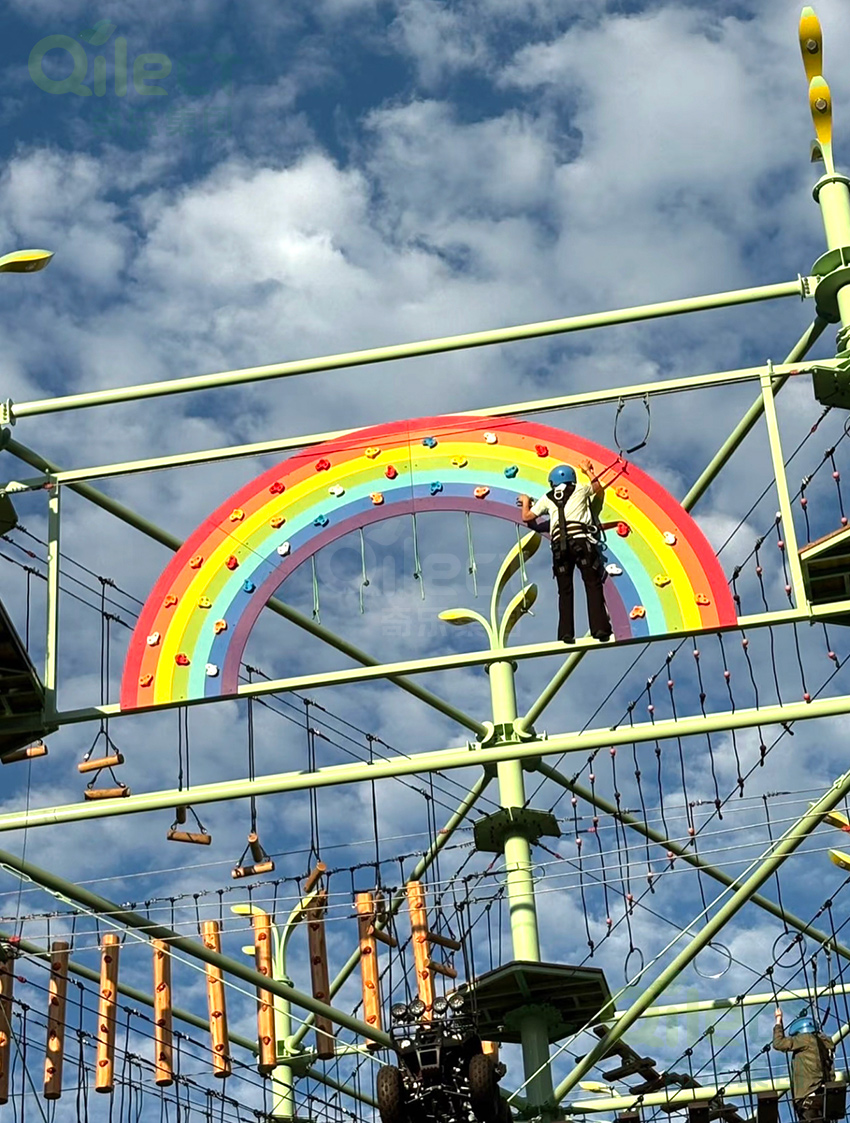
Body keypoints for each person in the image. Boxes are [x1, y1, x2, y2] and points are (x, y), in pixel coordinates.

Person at [516, 459, 612, 645]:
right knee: (592, 584)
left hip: (559, 547)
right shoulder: (580, 489)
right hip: (581, 541)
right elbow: (597, 488)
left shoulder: (547, 498)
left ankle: (566, 634)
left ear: (552, 482)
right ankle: (600, 629)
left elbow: (527, 517)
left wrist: (526, 501)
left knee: (565, 591)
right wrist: (588, 470)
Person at [773, 1007, 835, 1122]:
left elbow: (779, 1043)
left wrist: (778, 1020)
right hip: (824, 1097)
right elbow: (831, 1074)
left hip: (809, 1097)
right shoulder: (826, 1046)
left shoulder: (806, 1039)